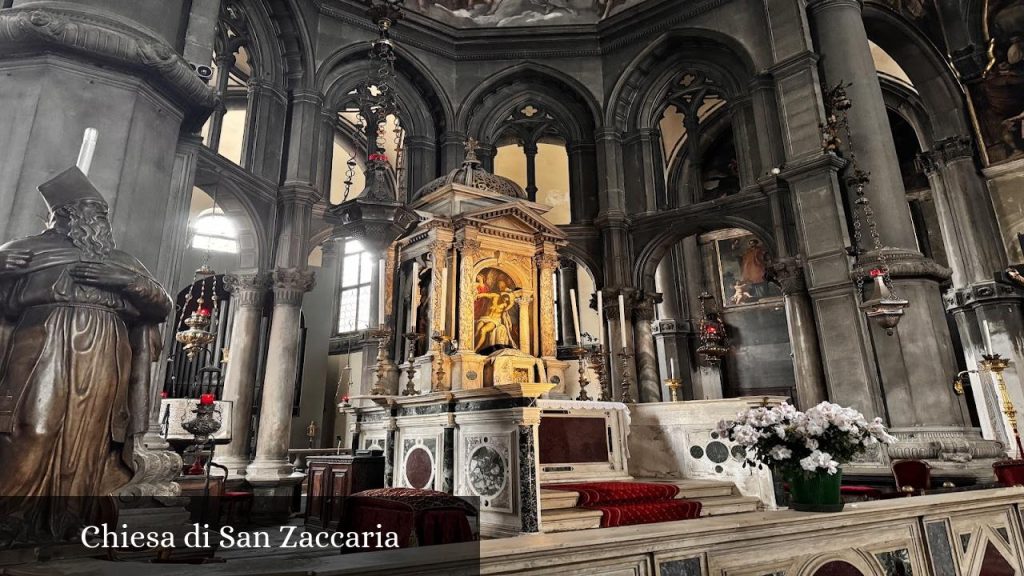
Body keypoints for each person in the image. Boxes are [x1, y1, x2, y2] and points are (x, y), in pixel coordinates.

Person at [0, 167, 172, 540]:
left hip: (107, 348)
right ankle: (12, 517)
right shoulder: (24, 249)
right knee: (33, 427)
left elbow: (162, 305)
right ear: (62, 216)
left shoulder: (122, 260)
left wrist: (127, 282)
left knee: (92, 434)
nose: (96, 221)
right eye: (87, 212)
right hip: (44, 340)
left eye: (101, 213)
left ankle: (72, 518)